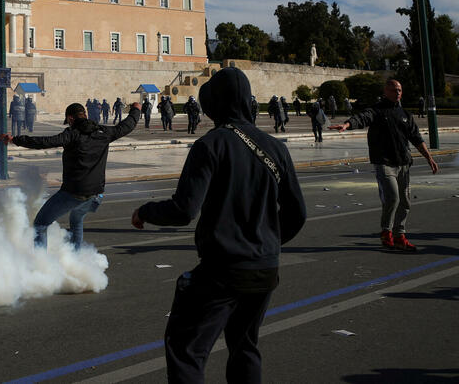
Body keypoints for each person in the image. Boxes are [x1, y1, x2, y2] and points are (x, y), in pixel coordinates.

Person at [131, 67, 307, 384]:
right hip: (265, 267)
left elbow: (184, 210)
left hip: (224, 268)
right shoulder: (275, 147)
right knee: (245, 346)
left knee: (186, 349)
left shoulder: (211, 145)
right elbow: (297, 214)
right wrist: (265, 242)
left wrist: (145, 212)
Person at [1, 100, 141, 250]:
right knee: (76, 218)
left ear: (70, 118)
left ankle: (40, 261)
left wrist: (15, 140)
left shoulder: (72, 134)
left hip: (74, 192)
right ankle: (76, 255)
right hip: (96, 194)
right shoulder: (103, 132)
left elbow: (45, 142)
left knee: (40, 224)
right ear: (85, 115)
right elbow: (127, 125)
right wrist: (136, 110)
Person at [329, 79, 439, 250]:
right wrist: (347, 124)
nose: (397, 93)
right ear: (385, 92)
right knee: (392, 197)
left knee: (405, 202)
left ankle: (399, 235)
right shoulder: (377, 110)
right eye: (394, 90)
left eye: (400, 90)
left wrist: (429, 158)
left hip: (403, 163)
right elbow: (362, 118)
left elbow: (416, 138)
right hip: (384, 163)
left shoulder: (405, 114)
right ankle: (386, 232)